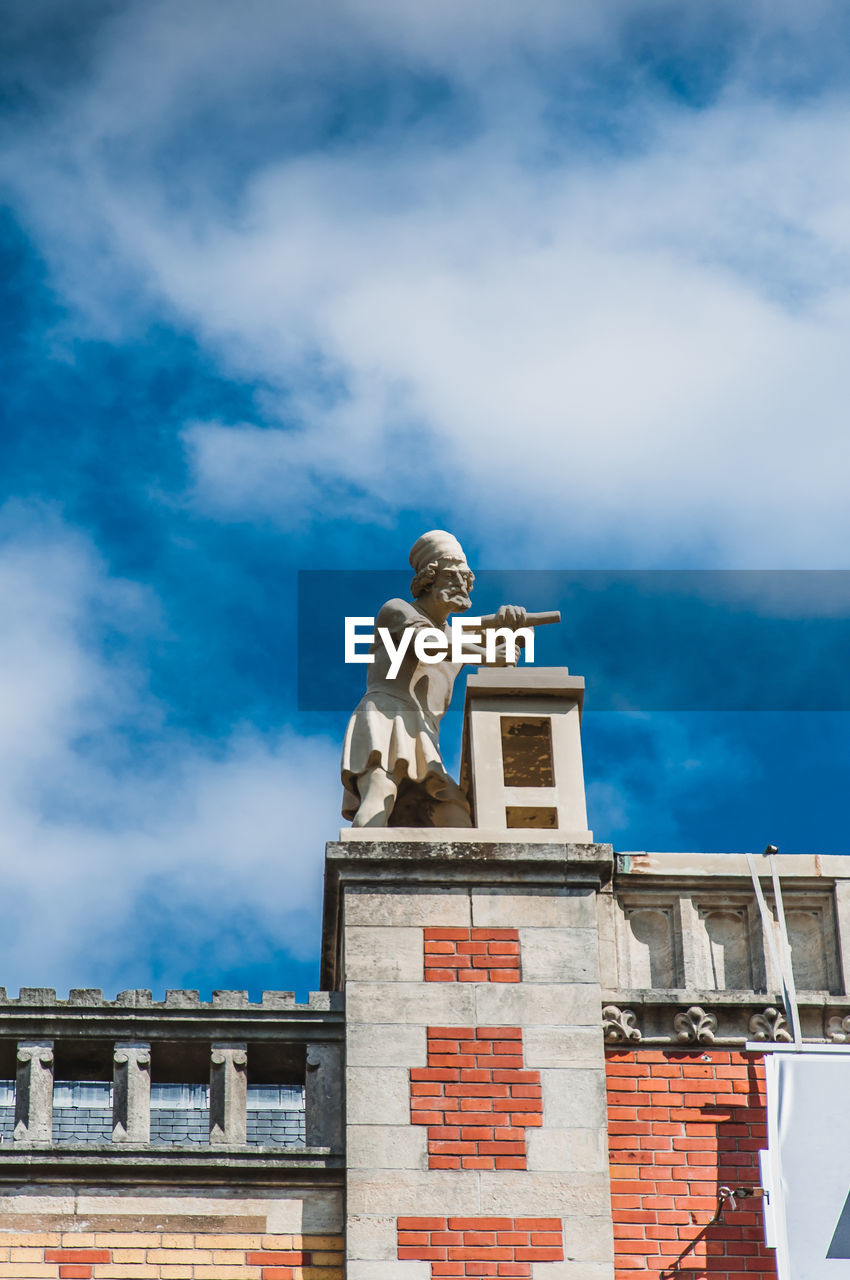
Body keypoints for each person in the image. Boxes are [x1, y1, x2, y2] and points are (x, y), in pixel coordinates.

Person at [341, 530, 526, 827]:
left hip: (424, 733)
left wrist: (510, 623)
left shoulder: (456, 635)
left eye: (465, 579)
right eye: (452, 576)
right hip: (389, 715)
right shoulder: (397, 611)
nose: (461, 585)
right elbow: (430, 644)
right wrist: (489, 651)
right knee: (380, 793)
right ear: (429, 578)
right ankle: (358, 867)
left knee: (455, 816)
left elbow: (480, 635)